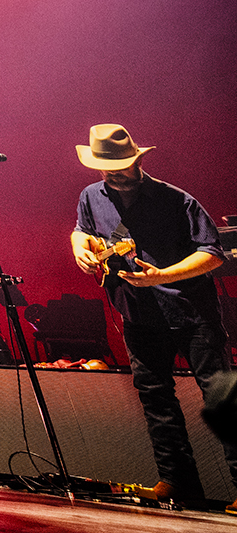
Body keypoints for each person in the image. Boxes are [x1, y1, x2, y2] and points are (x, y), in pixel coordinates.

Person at [70, 123, 237, 511]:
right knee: (155, 399)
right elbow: (81, 231)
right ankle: (177, 482)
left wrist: (162, 276)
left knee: (221, 399)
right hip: (138, 314)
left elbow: (213, 254)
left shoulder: (175, 199)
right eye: (107, 167)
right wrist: (79, 249)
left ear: (138, 160)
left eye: (121, 166)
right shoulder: (91, 196)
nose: (114, 174)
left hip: (191, 312)